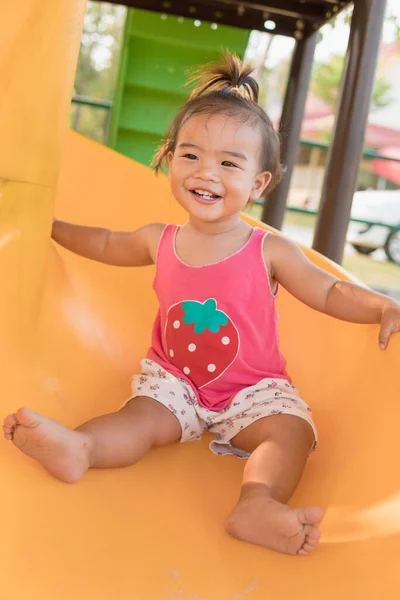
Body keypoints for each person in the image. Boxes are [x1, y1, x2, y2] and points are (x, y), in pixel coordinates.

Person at [3, 53, 400, 556]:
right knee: (140, 419)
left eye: (229, 163)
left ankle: (257, 502)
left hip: (253, 389)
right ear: (170, 160)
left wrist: (380, 305)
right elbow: (105, 242)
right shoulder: (158, 240)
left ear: (258, 184)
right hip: (175, 381)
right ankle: (81, 447)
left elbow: (327, 290)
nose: (205, 172)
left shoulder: (268, 250)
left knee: (290, 432)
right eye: (190, 156)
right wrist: (49, 226)